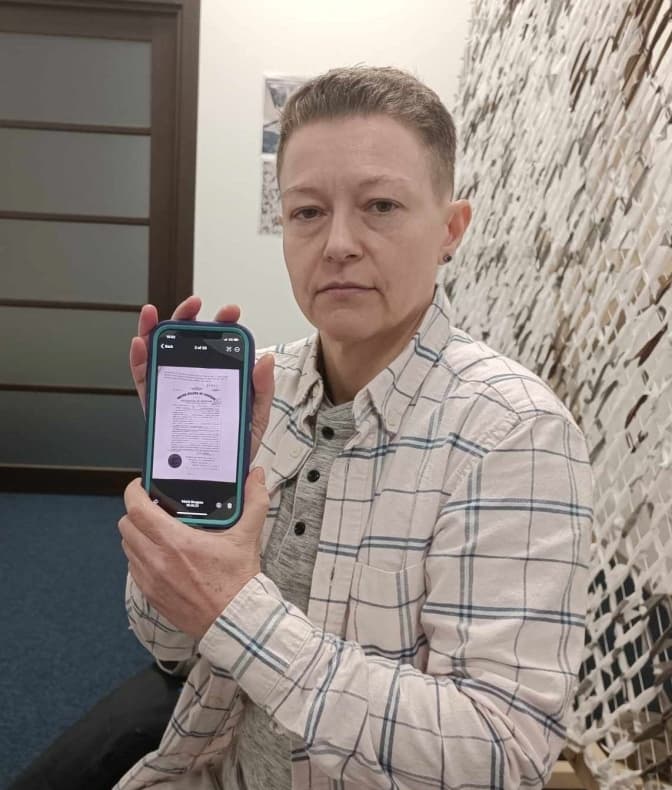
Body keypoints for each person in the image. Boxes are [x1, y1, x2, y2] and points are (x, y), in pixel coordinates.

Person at [116, 65, 593, 790]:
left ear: (450, 230)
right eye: (307, 212)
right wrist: (183, 514)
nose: (337, 243)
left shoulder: (515, 434)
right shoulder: (262, 391)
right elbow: (170, 647)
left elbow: (502, 753)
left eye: (380, 206)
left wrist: (237, 609)